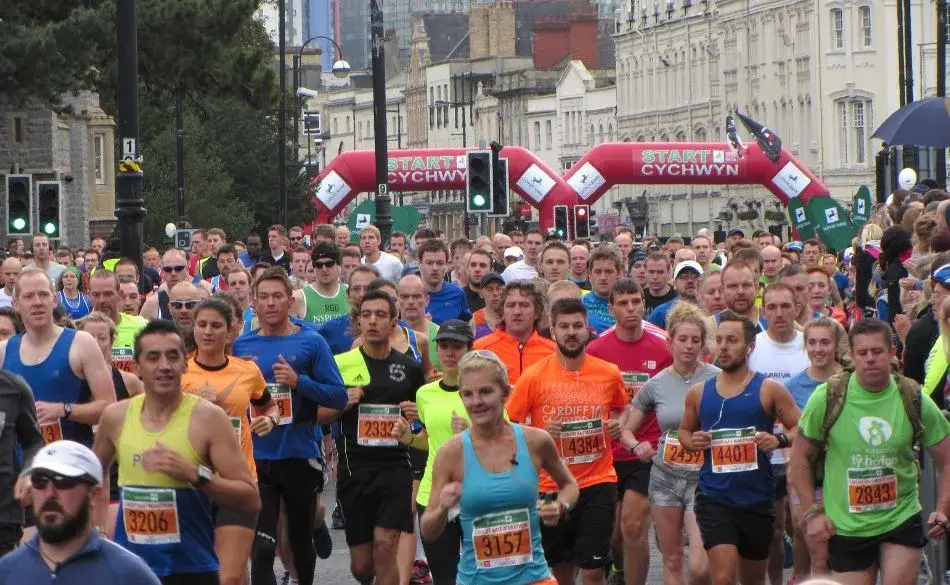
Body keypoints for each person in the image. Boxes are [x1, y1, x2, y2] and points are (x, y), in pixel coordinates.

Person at [93, 320, 261, 584]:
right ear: (136, 367)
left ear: (185, 363)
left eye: (173, 356)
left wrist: (195, 474)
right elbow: (90, 478)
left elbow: (250, 498)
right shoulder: (115, 417)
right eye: (153, 357)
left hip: (191, 569)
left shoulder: (209, 419)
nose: (164, 366)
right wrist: (97, 529)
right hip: (133, 571)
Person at [789, 318, 950, 585]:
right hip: (847, 524)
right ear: (852, 355)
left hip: (900, 516)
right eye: (862, 353)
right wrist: (812, 514)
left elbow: (946, 459)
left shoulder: (912, 396)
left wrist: (943, 509)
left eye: (877, 352)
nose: (870, 359)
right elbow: (799, 460)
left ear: (892, 353)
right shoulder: (828, 396)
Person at [420, 349, 579, 585]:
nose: (476, 402)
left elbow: (569, 485)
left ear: (506, 392)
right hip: (476, 580)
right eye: (468, 394)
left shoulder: (536, 441)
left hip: (534, 578)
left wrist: (560, 505)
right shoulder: (451, 453)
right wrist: (443, 508)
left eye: (486, 392)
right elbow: (428, 530)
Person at [232, 267, 347, 585]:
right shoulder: (242, 346)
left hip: (299, 453)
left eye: (277, 296)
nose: (270, 303)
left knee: (298, 540)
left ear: (289, 300)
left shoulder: (311, 341)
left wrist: (300, 382)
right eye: (264, 297)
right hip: (257, 458)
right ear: (254, 302)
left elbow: (338, 396)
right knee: (262, 547)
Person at [506, 298, 628, 585]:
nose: (571, 332)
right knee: (559, 570)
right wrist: (539, 432)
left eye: (577, 326)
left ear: (587, 330)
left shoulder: (608, 372)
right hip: (551, 486)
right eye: (564, 326)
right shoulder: (534, 376)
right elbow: (509, 423)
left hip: (598, 481)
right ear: (553, 331)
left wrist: (617, 425)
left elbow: (623, 408)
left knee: (593, 567)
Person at [678, 311, 801, 585]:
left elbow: (801, 428)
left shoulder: (769, 389)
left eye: (732, 340)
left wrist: (779, 440)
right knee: (722, 576)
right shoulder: (699, 393)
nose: (722, 347)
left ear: (750, 346)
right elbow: (684, 432)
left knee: (753, 580)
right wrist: (692, 441)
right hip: (714, 497)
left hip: (756, 499)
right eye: (719, 340)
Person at [323, 290, 427, 585]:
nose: (372, 321)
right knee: (362, 566)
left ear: (394, 322)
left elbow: (422, 422)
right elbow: (318, 415)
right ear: (357, 321)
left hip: (396, 468)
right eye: (366, 315)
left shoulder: (408, 368)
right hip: (355, 470)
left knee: (385, 545)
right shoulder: (340, 364)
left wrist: (415, 418)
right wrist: (342, 402)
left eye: (381, 315)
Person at [182, 299, 280, 585]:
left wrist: (270, 420)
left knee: (231, 575)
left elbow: (270, 406)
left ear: (230, 332)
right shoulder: (179, 371)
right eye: (202, 325)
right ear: (194, 329)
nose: (208, 332)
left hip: (238, 480)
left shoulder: (247, 371)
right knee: (200, 569)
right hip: (192, 482)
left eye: (216, 326)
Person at [620, 304, 717, 585]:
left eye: (695, 340)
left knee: (700, 566)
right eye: (682, 340)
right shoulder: (656, 383)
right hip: (665, 478)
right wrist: (636, 446)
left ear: (702, 344)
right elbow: (627, 430)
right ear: (669, 342)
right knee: (672, 560)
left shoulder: (716, 378)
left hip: (703, 479)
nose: (688, 346)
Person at [587, 279, 672, 585]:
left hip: (646, 451)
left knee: (633, 526)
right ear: (611, 309)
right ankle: (620, 571)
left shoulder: (664, 344)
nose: (631, 308)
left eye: (635, 301)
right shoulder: (597, 348)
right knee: (613, 535)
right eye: (622, 303)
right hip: (607, 453)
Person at [1, 440, 161, 583]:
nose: (49, 494)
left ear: (93, 495)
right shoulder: (7, 571)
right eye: (39, 481)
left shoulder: (129, 574)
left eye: (63, 482)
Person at [2, 268, 116, 447]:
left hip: (70, 463)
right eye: (29, 296)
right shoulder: (4, 351)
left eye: (43, 295)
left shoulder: (81, 343)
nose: (37, 302)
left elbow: (110, 407)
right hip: (20, 466)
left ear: (54, 299)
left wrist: (64, 410)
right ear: (15, 303)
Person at [401, 321, 474, 585]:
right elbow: (428, 441)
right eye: (444, 346)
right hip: (433, 492)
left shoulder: (483, 393)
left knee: (481, 573)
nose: (450, 353)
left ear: (469, 350)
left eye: (457, 347)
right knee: (444, 577)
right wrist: (408, 437)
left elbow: (503, 438)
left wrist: (471, 432)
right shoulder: (425, 394)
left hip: (475, 491)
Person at [747, 283, 810, 585]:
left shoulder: (809, 344)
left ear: (796, 308)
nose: (779, 313)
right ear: (763, 311)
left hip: (805, 452)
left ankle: (802, 577)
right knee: (772, 530)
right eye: (771, 307)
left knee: (802, 527)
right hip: (765, 453)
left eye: (785, 306)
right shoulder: (753, 347)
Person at [473, 282, 556, 385]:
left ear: (537, 313)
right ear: (502, 313)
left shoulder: (553, 352)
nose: (517, 312)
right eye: (511, 305)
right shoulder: (481, 350)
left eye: (524, 305)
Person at [89, 269, 149, 374]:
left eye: (108, 294)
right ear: (90, 296)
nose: (102, 300)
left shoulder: (142, 327)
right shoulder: (79, 331)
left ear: (119, 295)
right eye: (96, 295)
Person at [318, 264, 380, 354]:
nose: (362, 294)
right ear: (348, 294)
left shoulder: (396, 329)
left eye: (368, 289)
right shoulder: (331, 330)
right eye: (356, 288)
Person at [292, 242, 350, 325]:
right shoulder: (299, 298)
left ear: (338, 265)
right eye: (319, 265)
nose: (324, 269)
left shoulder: (350, 294)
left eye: (329, 264)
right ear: (314, 266)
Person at [418, 240, 471, 324]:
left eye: (440, 263)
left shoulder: (457, 294)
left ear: (446, 265)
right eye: (429, 263)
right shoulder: (410, 296)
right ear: (420, 265)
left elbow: (467, 327)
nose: (435, 268)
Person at [648, 260, 703, 329]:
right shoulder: (661, 313)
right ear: (674, 284)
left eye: (695, 276)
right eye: (683, 277)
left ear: (703, 281)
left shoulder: (711, 309)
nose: (690, 281)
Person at [582, 246, 624, 335]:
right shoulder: (580, 305)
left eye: (609, 272)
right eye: (597, 272)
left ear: (619, 273)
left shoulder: (629, 304)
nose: (603, 277)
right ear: (590, 274)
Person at [140, 248, 191, 320]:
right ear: (162, 271)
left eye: (178, 268)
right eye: (168, 269)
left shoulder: (200, 299)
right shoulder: (153, 303)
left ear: (187, 268)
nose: (173, 273)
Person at [643, 253, 677, 320]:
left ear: (668, 273)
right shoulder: (639, 297)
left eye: (660, 272)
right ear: (645, 272)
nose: (655, 277)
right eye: (651, 272)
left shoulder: (677, 298)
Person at [472, 272, 504, 339]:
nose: (495, 293)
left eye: (498, 288)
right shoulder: (474, 320)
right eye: (489, 289)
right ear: (481, 293)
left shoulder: (511, 316)